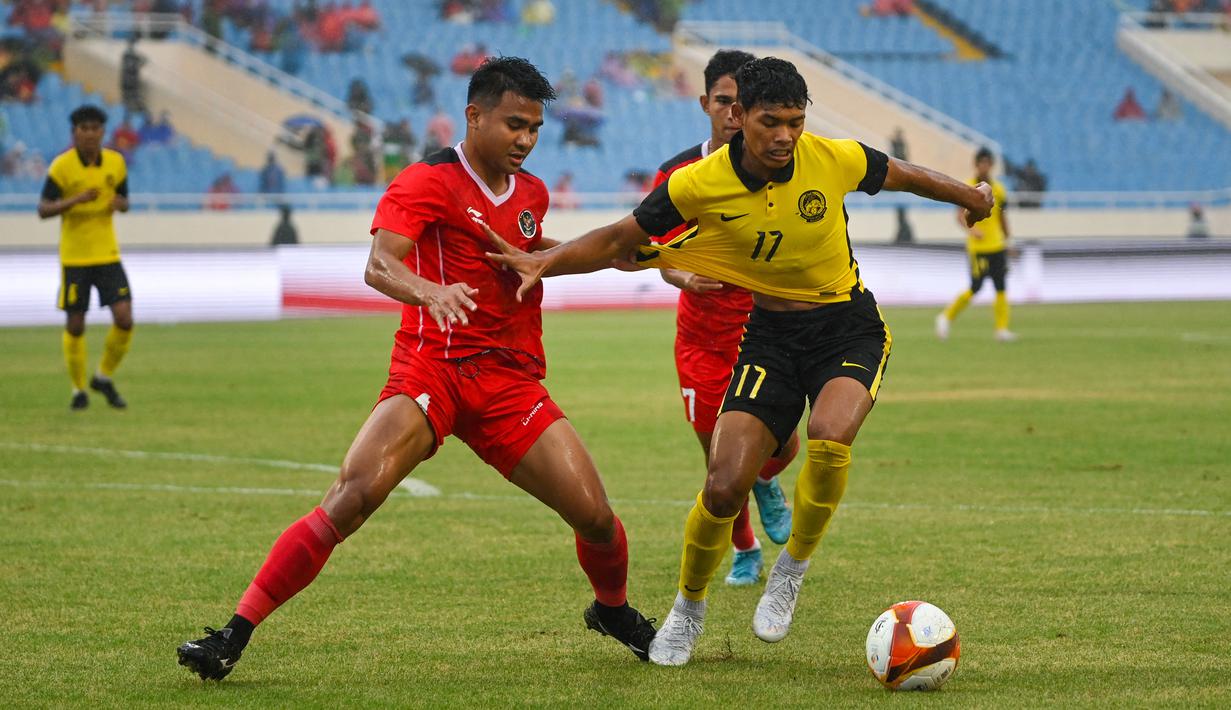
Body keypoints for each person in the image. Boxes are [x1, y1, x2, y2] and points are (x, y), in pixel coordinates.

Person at [484, 57, 992, 667]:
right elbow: (621, 239)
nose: (784, 136)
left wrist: (972, 197)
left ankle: (791, 569)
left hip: (847, 328)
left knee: (831, 435)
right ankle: (688, 607)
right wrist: (549, 260)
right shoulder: (698, 184)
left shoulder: (834, 158)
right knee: (724, 486)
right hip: (771, 336)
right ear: (738, 115)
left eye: (796, 122)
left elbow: (903, 175)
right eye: (771, 121)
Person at [176, 56, 657, 682]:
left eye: (536, 129)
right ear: (474, 115)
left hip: (508, 382)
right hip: (433, 369)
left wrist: (618, 257)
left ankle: (612, 611)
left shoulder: (531, 192)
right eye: (514, 124)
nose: (525, 140)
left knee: (595, 516)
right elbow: (379, 265)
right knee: (353, 495)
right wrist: (429, 291)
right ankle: (232, 634)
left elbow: (537, 249)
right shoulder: (426, 181)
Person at [648, 49, 797, 588]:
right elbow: (656, 249)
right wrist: (683, 276)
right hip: (702, 340)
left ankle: (765, 481)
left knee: (782, 446)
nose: (733, 113)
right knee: (718, 461)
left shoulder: (779, 168)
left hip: (762, 333)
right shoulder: (677, 174)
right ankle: (746, 550)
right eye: (724, 102)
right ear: (706, 103)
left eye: (742, 103)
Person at [37, 105, 135, 411]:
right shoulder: (61, 167)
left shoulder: (116, 163)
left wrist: (121, 205)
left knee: (125, 318)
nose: (90, 134)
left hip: (107, 253)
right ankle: (78, 389)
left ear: (103, 132)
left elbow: (124, 200)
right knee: (76, 325)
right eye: (84, 128)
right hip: (75, 257)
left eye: (95, 128)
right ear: (74, 133)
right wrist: (75, 200)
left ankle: (103, 377)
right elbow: (43, 209)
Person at [935, 147, 1014, 342]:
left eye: (988, 163)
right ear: (976, 164)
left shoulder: (1000, 190)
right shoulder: (968, 187)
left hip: (997, 245)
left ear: (991, 165)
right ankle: (946, 317)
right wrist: (972, 230)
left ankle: (1001, 329)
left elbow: (1002, 217)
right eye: (982, 163)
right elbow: (959, 216)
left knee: (1001, 286)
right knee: (975, 287)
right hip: (978, 247)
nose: (985, 166)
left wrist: (1008, 240)